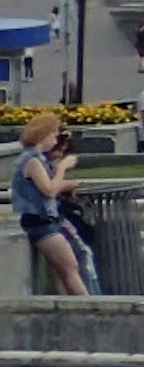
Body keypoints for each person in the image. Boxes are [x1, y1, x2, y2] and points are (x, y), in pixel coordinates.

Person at [11, 111, 96, 294]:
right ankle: (90, 309)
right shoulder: (32, 161)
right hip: (41, 224)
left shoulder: (37, 159)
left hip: (46, 220)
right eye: (54, 134)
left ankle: (72, 309)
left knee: (66, 270)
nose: (56, 138)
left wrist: (64, 185)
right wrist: (62, 169)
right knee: (70, 268)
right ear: (43, 134)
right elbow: (48, 190)